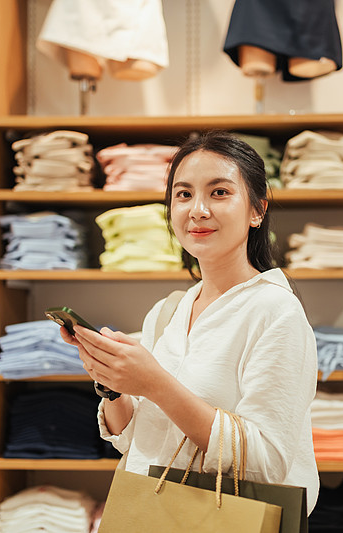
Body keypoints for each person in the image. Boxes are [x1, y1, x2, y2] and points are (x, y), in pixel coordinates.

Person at [61, 131, 319, 514]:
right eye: (183, 194)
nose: (197, 210)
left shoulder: (275, 311)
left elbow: (266, 463)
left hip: (224, 518)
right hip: (155, 514)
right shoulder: (169, 310)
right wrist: (111, 381)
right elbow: (134, 440)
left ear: (257, 210)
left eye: (219, 192)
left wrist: (155, 383)